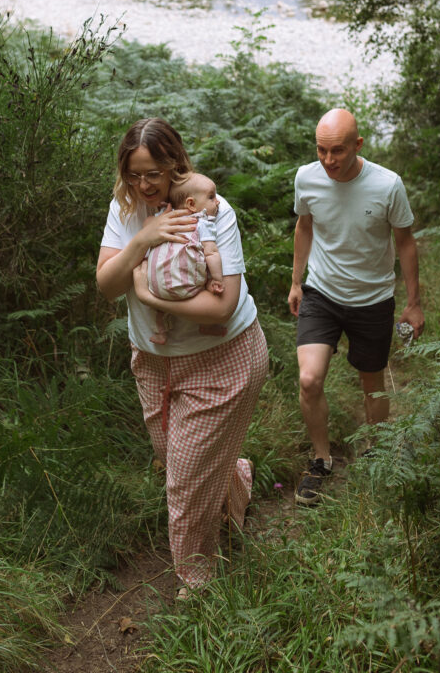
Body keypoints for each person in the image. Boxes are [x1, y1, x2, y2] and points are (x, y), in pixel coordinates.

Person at [96, 118, 268, 595]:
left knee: (185, 482)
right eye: (134, 175)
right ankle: (234, 476)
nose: (144, 185)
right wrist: (143, 239)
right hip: (154, 362)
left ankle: (198, 584)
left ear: (174, 163)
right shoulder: (125, 209)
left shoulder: (210, 208)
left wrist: (151, 299)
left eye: (153, 173)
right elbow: (107, 285)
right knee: (177, 460)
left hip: (223, 358)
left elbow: (222, 305)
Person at [288, 108, 424, 506]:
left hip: (372, 300)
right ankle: (320, 460)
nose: (328, 160)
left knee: (372, 384)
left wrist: (414, 303)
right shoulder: (306, 177)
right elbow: (304, 226)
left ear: (358, 145)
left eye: (338, 151)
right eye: (321, 150)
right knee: (309, 380)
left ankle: (376, 454)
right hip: (321, 294)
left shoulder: (387, 185)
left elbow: (405, 242)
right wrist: (296, 281)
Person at [146, 172, 225, 345]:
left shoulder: (165, 218)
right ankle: (207, 324)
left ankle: (160, 332)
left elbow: (147, 225)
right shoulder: (202, 223)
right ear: (191, 204)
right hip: (186, 287)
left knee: (159, 308)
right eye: (211, 197)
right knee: (207, 281)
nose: (218, 201)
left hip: (156, 287)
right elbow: (211, 252)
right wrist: (217, 278)